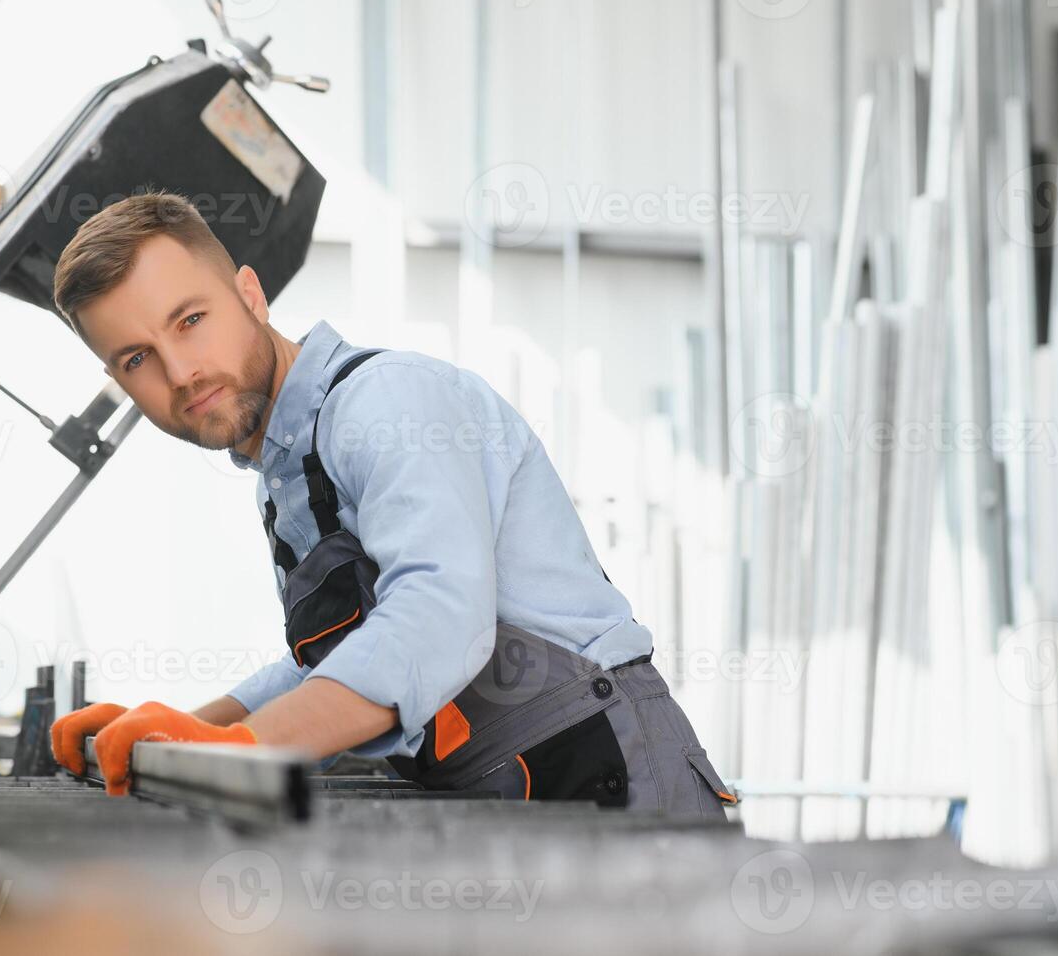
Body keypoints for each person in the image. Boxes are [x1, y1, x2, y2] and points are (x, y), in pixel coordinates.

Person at [47, 191, 733, 819]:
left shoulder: (384, 401)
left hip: (604, 770)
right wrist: (183, 732)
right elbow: (334, 664)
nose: (181, 371)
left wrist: (239, 745)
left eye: (190, 320)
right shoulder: (286, 471)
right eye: (138, 358)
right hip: (508, 790)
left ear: (250, 295)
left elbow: (434, 619)